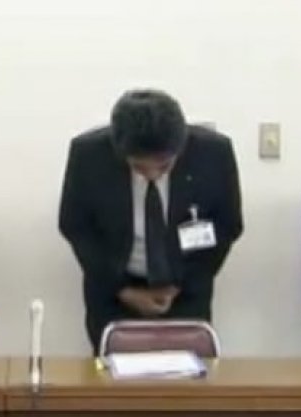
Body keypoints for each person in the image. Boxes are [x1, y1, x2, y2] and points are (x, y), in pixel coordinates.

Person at [59, 89, 243, 350]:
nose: (153, 175)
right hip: (114, 292)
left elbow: (227, 224)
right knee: (112, 372)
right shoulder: (89, 155)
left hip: (186, 291)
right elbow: (75, 226)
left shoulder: (213, 154)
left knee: (189, 371)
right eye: (139, 167)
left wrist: (182, 284)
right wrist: (123, 290)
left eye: (164, 165)